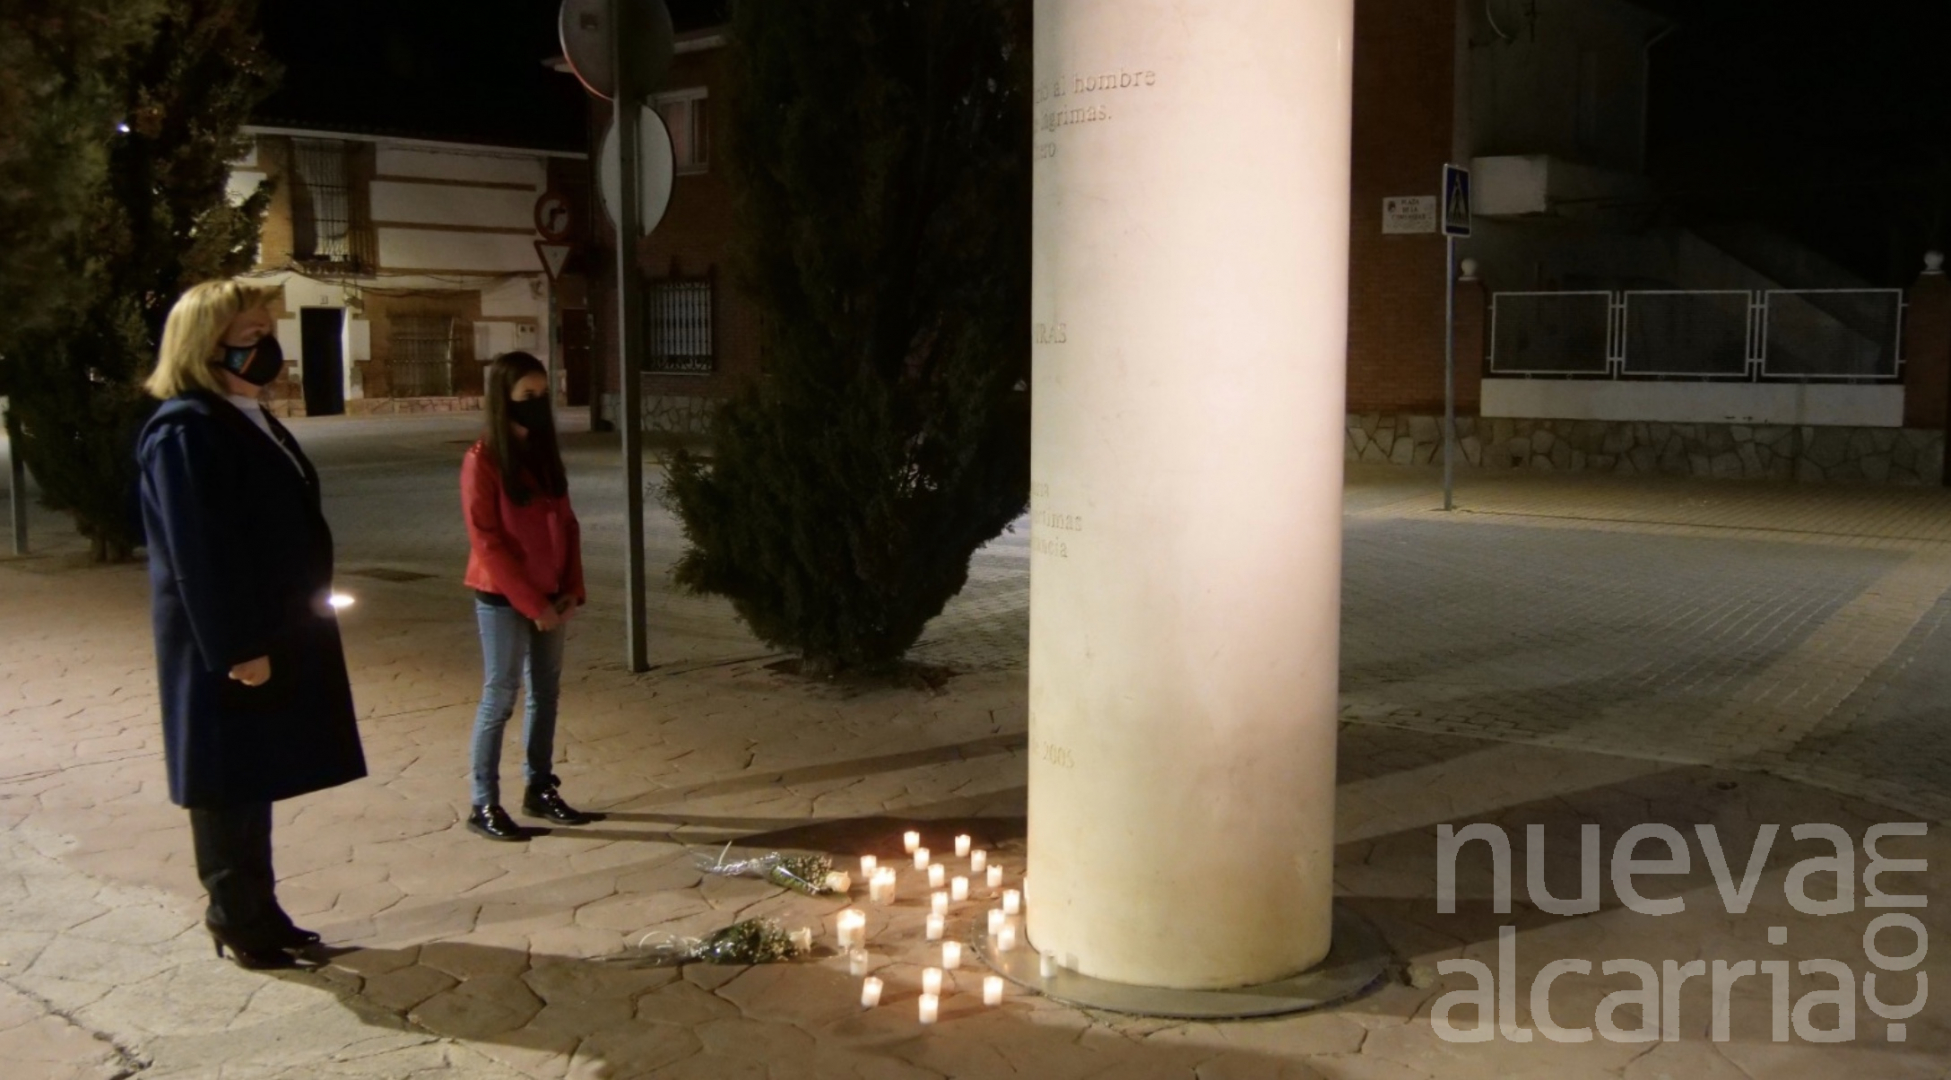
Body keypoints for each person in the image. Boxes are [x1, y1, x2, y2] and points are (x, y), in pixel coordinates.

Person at [136, 280, 367, 970]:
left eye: (270, 333)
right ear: (207, 345)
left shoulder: (240, 415)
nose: (270, 348)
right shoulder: (186, 430)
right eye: (253, 336)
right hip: (223, 641)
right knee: (225, 777)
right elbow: (198, 552)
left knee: (253, 773)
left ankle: (260, 911)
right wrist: (238, 645)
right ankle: (235, 917)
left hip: (266, 627)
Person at [461, 351, 602, 840]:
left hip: (551, 593)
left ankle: (539, 787)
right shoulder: (482, 459)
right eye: (528, 396)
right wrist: (532, 604)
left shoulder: (542, 455)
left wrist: (571, 591)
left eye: (544, 395)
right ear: (504, 399)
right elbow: (487, 541)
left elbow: (568, 524)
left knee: (546, 693)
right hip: (503, 597)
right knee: (500, 696)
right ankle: (484, 803)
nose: (538, 404)